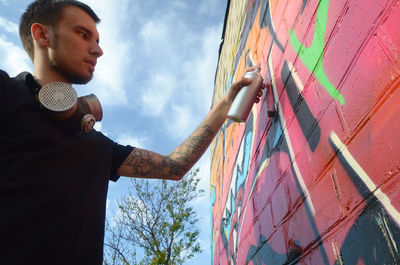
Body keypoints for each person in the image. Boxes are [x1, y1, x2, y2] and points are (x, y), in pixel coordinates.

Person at [0, 0, 266, 264]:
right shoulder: (8, 96)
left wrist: (225, 102)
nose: (98, 50)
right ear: (41, 34)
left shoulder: (95, 144)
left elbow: (175, 166)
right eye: (83, 34)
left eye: (98, 39)